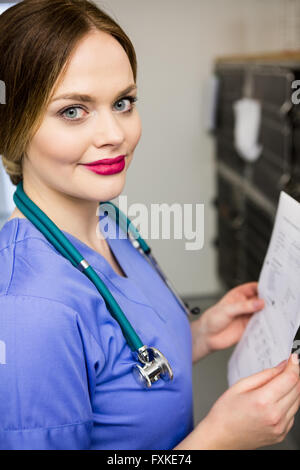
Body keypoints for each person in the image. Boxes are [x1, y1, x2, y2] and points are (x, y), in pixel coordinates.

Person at [0, 0, 299, 451]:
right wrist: (220, 441)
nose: (115, 134)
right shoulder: (30, 310)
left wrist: (200, 335)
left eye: (123, 102)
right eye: (73, 111)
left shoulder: (107, 222)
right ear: (12, 126)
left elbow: (116, 363)